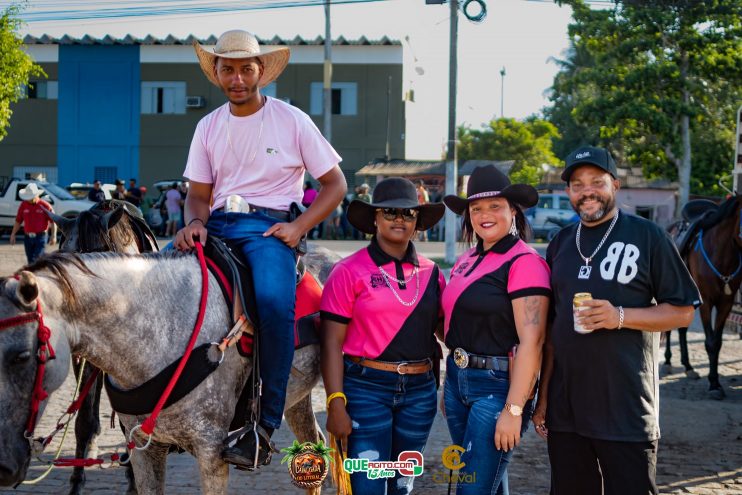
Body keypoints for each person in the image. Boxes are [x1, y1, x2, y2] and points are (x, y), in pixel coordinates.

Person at [174, 29, 346, 469]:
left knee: (271, 303)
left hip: (270, 228)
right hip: (218, 225)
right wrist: (194, 222)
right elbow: (198, 193)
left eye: (245, 69)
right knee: (164, 290)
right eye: (227, 68)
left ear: (260, 73)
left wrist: (300, 226)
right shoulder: (207, 126)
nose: (237, 78)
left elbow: (334, 184)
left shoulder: (292, 120)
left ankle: (262, 426)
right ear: (216, 73)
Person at [533, 146, 699, 495]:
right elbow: (553, 331)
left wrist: (619, 316)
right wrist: (543, 396)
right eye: (577, 185)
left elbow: (683, 311)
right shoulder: (560, 243)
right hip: (567, 412)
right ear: (568, 192)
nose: (587, 191)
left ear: (616, 185)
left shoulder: (648, 236)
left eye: (597, 182)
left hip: (626, 411)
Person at [320, 177, 445, 495]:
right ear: (374, 218)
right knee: (367, 488)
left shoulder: (433, 273)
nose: (399, 220)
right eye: (390, 212)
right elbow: (332, 343)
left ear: (417, 221)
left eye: (408, 214)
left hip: (420, 394)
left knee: (402, 487)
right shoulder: (348, 271)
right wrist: (335, 403)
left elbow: (448, 331)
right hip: (365, 391)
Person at [441, 164, 550, 495]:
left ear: (513, 211)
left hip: (498, 388)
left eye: (495, 206)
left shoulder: (525, 262)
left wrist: (514, 409)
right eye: (476, 208)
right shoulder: (466, 260)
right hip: (458, 383)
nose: (484, 215)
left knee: (472, 487)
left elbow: (533, 342)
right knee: (489, 481)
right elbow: (453, 324)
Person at [10, 183, 57, 263]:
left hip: (40, 237)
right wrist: (13, 234)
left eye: (31, 197)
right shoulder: (23, 205)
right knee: (30, 260)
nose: (29, 199)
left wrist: (53, 235)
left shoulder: (45, 206)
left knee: (37, 259)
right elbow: (18, 221)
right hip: (28, 237)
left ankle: (37, 273)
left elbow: (53, 221)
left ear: (36, 195)